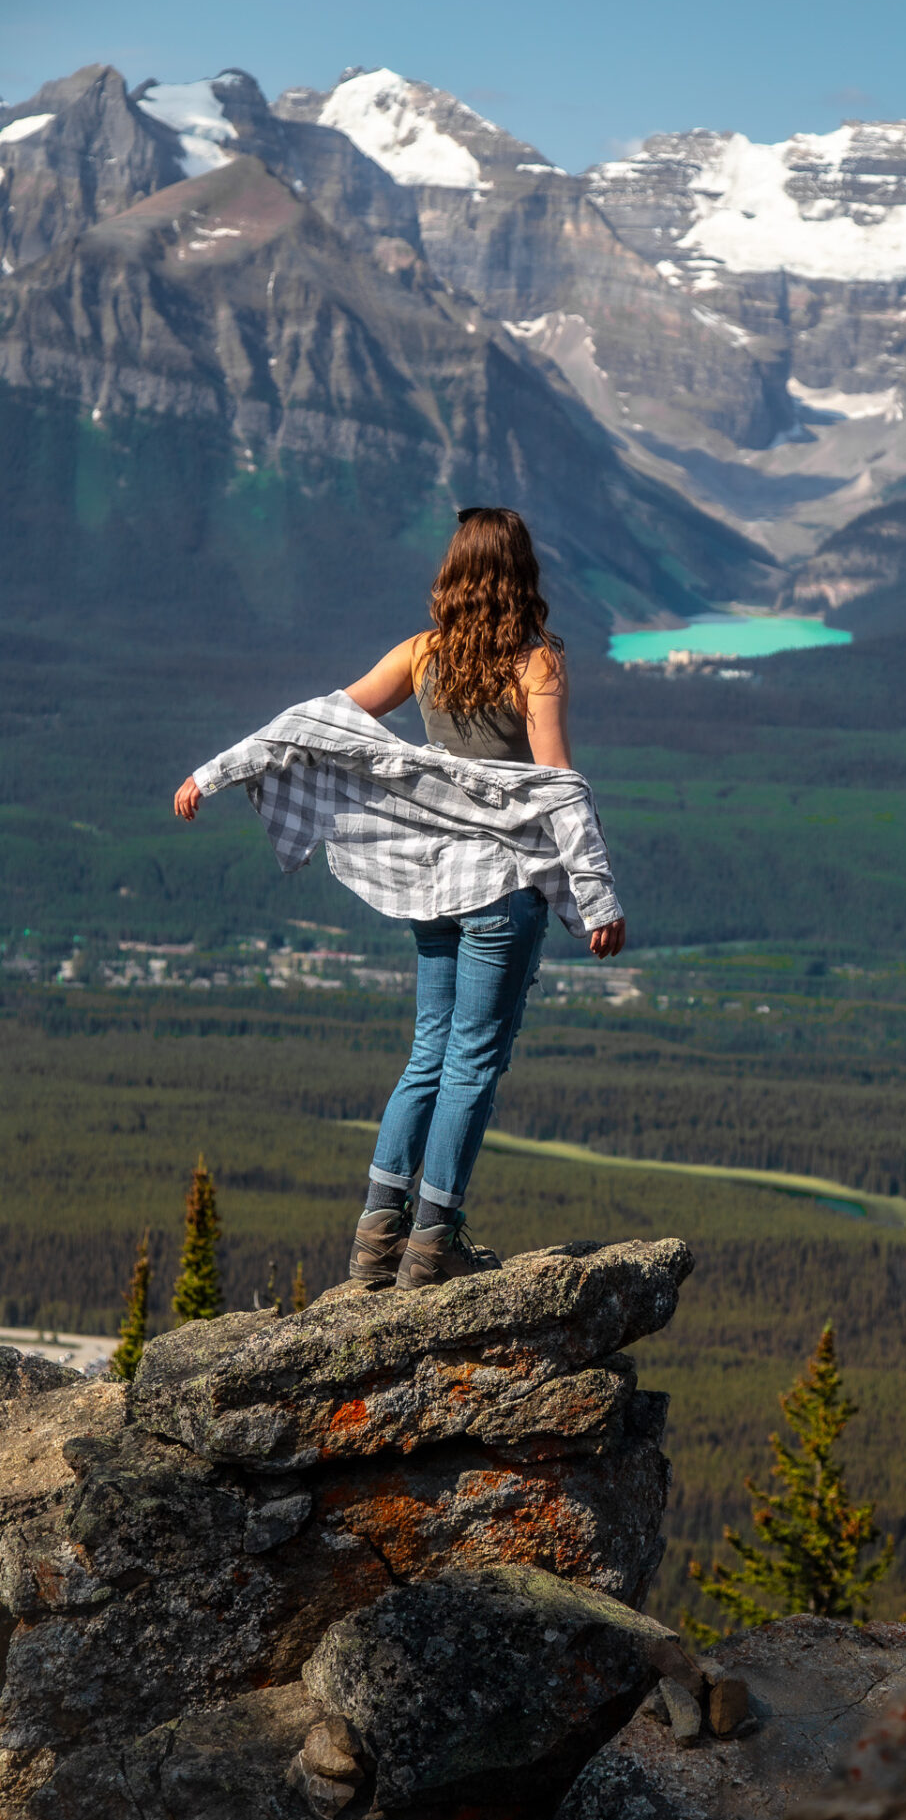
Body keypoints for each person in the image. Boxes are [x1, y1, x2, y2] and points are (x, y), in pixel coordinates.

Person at [173, 506, 624, 1294]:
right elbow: (555, 786)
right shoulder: (537, 664)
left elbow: (317, 724)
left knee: (428, 1055)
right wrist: (597, 897)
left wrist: (216, 771)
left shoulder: (423, 656)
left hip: (432, 886)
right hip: (503, 887)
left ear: (455, 573)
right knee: (473, 1064)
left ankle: (376, 1243)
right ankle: (433, 1245)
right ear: (521, 575)